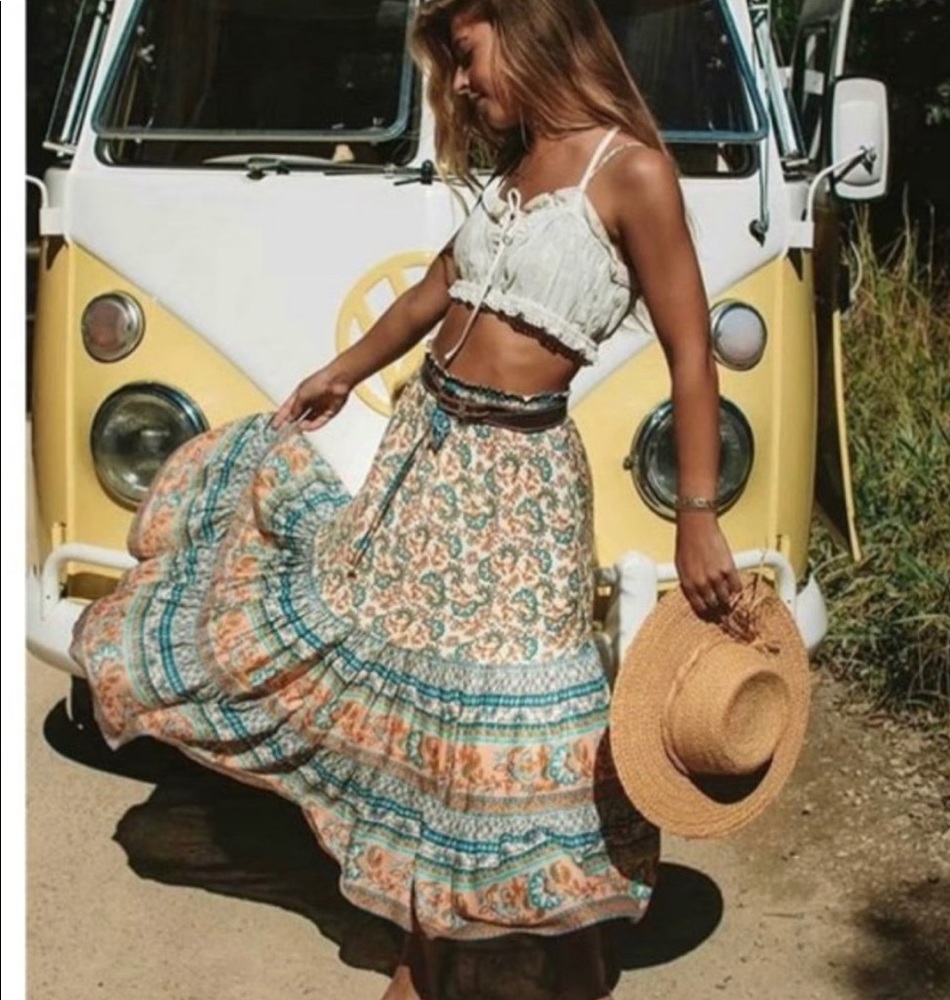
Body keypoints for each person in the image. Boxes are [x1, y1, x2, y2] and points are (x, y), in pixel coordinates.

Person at [71, 1, 740, 997]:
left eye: (467, 58)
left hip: (522, 488)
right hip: (426, 454)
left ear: (527, 28)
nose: (461, 85)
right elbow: (437, 287)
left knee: (525, 720)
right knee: (426, 714)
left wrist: (697, 514)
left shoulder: (629, 172)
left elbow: (692, 356)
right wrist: (344, 369)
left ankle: (576, 943)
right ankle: (426, 952)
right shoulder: (519, 166)